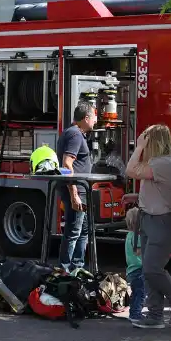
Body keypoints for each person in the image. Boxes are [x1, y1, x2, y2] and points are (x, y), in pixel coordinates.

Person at [126, 124, 171, 329]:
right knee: (148, 269)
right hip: (152, 218)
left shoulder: (163, 163)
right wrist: (137, 197)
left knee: (152, 267)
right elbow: (160, 192)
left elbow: (130, 171)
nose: (142, 142)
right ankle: (155, 314)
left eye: (145, 139)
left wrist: (138, 148)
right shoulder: (159, 163)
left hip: (163, 221)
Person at [56, 101, 97, 272]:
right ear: (86, 118)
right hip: (76, 191)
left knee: (83, 231)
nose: (96, 120)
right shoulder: (75, 135)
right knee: (74, 232)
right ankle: (64, 271)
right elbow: (67, 165)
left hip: (81, 190)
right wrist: (74, 194)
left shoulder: (75, 133)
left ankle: (77, 269)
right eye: (94, 117)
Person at [123, 207, 146, 323]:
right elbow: (138, 251)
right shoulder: (138, 236)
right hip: (139, 269)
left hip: (131, 270)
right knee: (141, 293)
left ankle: (133, 312)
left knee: (136, 293)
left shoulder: (129, 235)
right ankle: (136, 315)